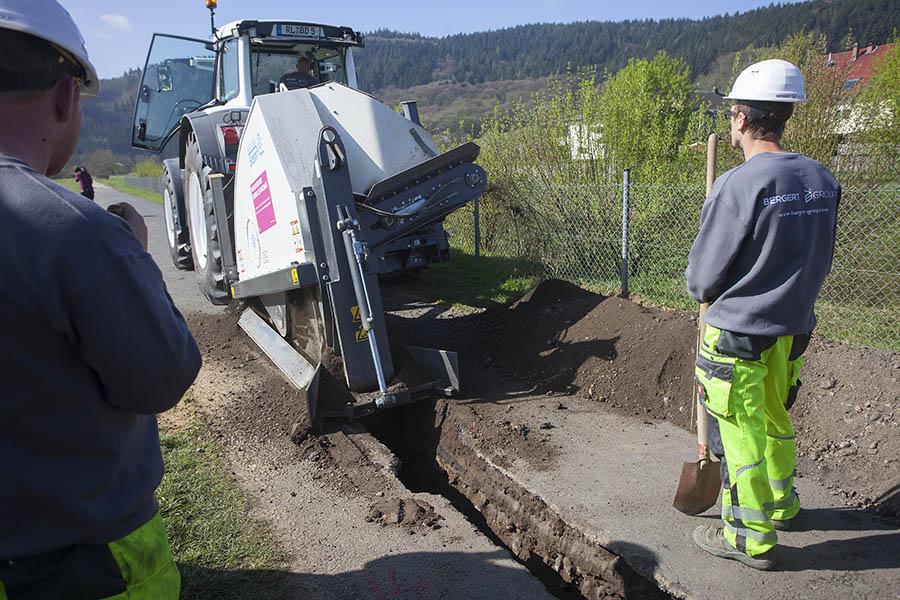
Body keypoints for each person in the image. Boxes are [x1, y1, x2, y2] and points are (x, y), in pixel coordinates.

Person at [0, 1, 202, 598]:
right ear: (67, 97)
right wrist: (132, 256)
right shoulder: (73, 233)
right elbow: (160, 378)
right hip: (78, 565)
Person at [685, 59, 840, 570]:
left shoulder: (738, 184)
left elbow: (702, 280)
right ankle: (781, 504)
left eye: (732, 112)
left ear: (742, 117)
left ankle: (750, 538)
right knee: (775, 417)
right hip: (793, 328)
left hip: (737, 334)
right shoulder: (821, 178)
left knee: (741, 431)